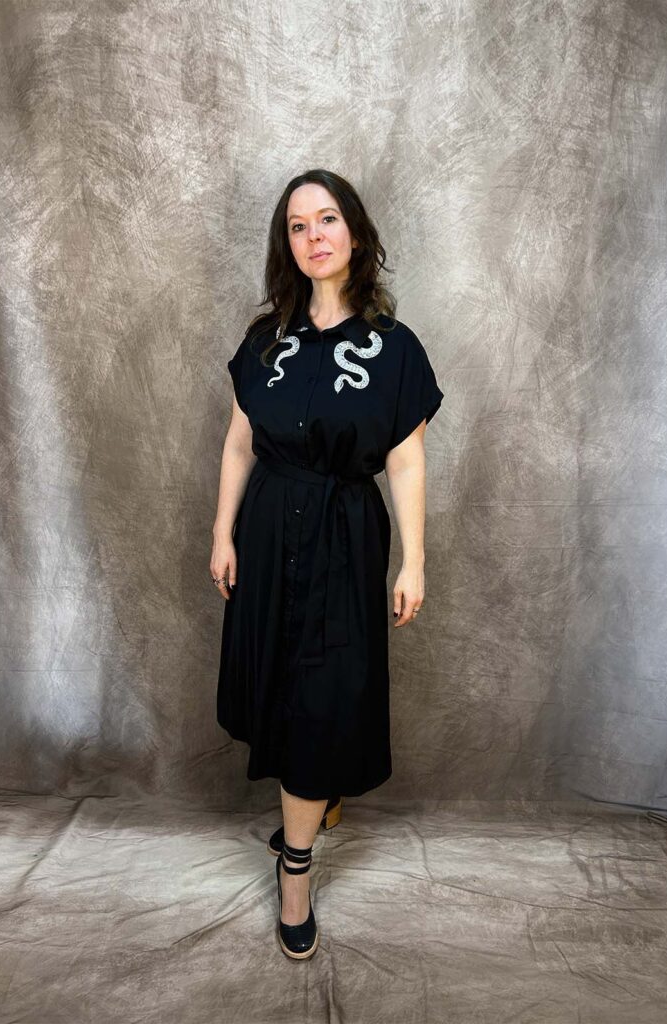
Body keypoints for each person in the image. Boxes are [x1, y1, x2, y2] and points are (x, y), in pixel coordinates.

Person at [210, 169, 444, 960]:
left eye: (328, 220)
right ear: (289, 243)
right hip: (270, 527)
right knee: (279, 678)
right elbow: (239, 441)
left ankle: (296, 867)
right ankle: (317, 804)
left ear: (355, 233)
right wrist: (221, 531)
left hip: (345, 534)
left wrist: (413, 559)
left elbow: (405, 463)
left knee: (323, 689)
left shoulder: (395, 348)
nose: (314, 236)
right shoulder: (264, 338)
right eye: (298, 225)